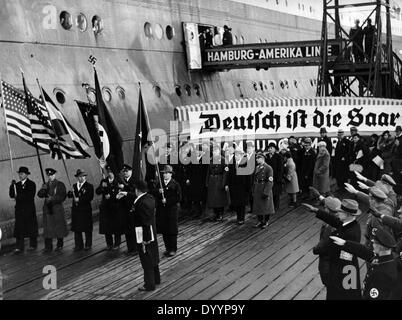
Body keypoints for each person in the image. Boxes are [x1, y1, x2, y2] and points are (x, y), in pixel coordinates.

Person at [303, 199, 362, 300]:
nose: (337, 213)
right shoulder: (350, 223)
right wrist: (316, 211)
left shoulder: (351, 233)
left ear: (347, 214)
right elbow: (334, 221)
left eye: (340, 211)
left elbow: (345, 257)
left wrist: (321, 249)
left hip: (343, 273)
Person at [331, 219, 398, 300]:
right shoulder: (386, 256)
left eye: (373, 243)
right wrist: (345, 243)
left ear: (380, 247)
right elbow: (364, 251)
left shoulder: (383, 274)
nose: (371, 244)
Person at [132, 180, 160, 292]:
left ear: (137, 190)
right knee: (153, 255)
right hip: (152, 231)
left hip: (144, 233)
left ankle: (149, 284)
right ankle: (156, 278)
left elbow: (145, 222)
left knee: (146, 258)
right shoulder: (150, 198)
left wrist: (145, 239)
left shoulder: (141, 203)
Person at [311, 195, 341, 290]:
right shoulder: (341, 221)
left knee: (330, 288)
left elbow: (322, 246)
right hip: (338, 262)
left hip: (328, 263)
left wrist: (315, 249)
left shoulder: (330, 227)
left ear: (327, 210)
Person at [37, 168, 68, 253]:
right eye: (48, 175)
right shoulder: (45, 184)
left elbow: (62, 196)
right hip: (47, 209)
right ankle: (48, 246)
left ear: (55, 175)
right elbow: (39, 195)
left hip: (57, 209)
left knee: (58, 227)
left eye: (51, 175)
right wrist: (43, 190)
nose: (50, 176)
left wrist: (52, 198)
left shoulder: (60, 184)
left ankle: (59, 245)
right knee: (48, 228)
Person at [9, 167, 38, 254]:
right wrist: (12, 186)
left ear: (26, 174)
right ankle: (19, 247)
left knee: (31, 227)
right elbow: (11, 195)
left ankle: (33, 245)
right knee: (19, 228)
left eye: (22, 174)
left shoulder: (31, 184)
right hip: (19, 210)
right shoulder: (16, 185)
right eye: (19, 174)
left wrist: (18, 196)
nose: (20, 175)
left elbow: (29, 196)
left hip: (29, 210)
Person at [154, 165, 182, 257]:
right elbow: (155, 196)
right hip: (162, 211)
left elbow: (178, 197)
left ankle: (173, 248)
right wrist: (158, 192)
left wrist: (168, 201)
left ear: (171, 174)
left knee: (172, 230)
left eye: (166, 173)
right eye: (163, 173)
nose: (164, 175)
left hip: (172, 211)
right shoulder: (160, 184)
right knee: (164, 230)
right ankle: (167, 248)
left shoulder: (175, 184)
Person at [96, 165, 123, 250]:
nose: (110, 173)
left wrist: (111, 196)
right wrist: (102, 187)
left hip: (115, 206)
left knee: (116, 226)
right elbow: (97, 192)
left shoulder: (118, 180)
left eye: (111, 172)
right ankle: (109, 244)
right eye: (108, 172)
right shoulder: (104, 181)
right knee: (107, 227)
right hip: (106, 207)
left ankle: (117, 243)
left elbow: (121, 192)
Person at [68, 169, 94, 251]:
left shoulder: (89, 186)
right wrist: (69, 193)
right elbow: (70, 195)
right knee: (77, 228)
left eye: (83, 176)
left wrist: (79, 199)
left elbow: (90, 197)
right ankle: (78, 245)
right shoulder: (74, 186)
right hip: (76, 210)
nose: (81, 178)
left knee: (87, 228)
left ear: (85, 176)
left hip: (85, 210)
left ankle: (88, 244)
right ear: (77, 177)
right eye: (79, 176)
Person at [117, 164, 137, 256]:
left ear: (131, 171)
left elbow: (136, 194)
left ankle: (136, 248)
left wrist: (125, 193)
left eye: (127, 171)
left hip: (133, 208)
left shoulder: (134, 181)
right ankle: (130, 248)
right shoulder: (122, 182)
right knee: (127, 230)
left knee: (134, 230)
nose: (125, 173)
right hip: (124, 209)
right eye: (124, 171)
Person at [206, 144, 229, 222]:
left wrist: (224, 183)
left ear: (219, 151)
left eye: (216, 151)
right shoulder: (211, 160)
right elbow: (208, 172)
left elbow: (225, 172)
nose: (214, 152)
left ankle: (220, 214)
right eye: (213, 151)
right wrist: (207, 182)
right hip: (212, 181)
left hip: (219, 180)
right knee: (213, 199)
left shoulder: (223, 160)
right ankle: (216, 213)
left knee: (220, 199)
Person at [227, 149, 251, 224]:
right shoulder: (232, 164)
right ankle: (238, 217)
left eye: (237, 155)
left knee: (242, 204)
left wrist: (248, 187)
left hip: (242, 187)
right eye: (235, 155)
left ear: (241, 155)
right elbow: (229, 175)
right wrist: (228, 184)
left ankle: (242, 218)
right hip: (234, 186)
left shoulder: (246, 164)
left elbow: (248, 177)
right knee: (236, 203)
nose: (235, 156)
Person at [252, 152, 275, 229]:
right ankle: (260, 220)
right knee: (258, 206)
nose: (257, 160)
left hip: (264, 187)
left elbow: (270, 181)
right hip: (258, 187)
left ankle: (266, 221)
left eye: (258, 158)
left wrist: (266, 191)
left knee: (266, 206)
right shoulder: (257, 167)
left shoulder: (268, 168)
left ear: (262, 158)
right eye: (256, 158)